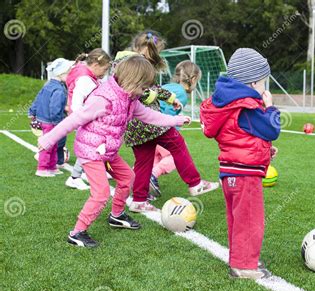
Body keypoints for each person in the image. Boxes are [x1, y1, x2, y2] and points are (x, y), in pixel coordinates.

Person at [38, 56, 191, 248]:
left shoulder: (130, 99)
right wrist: (48, 139)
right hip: (91, 151)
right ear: (132, 81)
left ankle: (116, 215)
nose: (146, 92)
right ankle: (77, 232)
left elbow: (149, 115)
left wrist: (175, 120)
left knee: (128, 178)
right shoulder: (102, 100)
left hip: (107, 151)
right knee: (101, 193)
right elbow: (74, 120)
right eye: (144, 87)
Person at [115, 30, 218, 213]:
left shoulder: (128, 63)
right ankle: (195, 183)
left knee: (144, 162)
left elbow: (153, 88)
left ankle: (139, 200)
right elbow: (141, 92)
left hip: (134, 125)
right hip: (149, 121)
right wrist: (158, 99)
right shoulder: (134, 66)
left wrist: (170, 98)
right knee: (178, 144)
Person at [200, 48, 280, 279]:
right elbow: (272, 129)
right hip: (245, 175)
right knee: (250, 220)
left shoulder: (227, 103)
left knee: (237, 219)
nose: (265, 88)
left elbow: (241, 136)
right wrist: (270, 107)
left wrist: (264, 151)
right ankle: (244, 266)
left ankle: (240, 258)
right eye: (264, 82)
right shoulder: (246, 106)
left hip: (230, 171)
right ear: (253, 82)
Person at [148, 60, 202, 199]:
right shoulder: (181, 94)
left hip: (148, 127)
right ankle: (152, 176)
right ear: (194, 79)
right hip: (160, 129)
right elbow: (167, 113)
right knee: (175, 155)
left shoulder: (169, 86)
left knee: (154, 157)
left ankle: (143, 184)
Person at [64, 48, 111, 190]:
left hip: (85, 118)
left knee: (95, 145)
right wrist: (82, 119)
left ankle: (89, 171)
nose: (104, 73)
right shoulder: (85, 79)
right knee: (90, 146)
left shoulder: (88, 76)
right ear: (96, 65)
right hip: (83, 119)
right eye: (104, 69)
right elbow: (77, 102)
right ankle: (74, 177)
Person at [29, 58, 74, 177]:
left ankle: (52, 167)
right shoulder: (59, 89)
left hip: (45, 120)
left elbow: (38, 98)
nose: (70, 76)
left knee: (53, 145)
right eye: (69, 73)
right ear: (61, 73)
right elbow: (55, 108)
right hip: (51, 122)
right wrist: (58, 123)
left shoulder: (48, 85)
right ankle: (42, 168)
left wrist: (32, 111)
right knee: (49, 145)